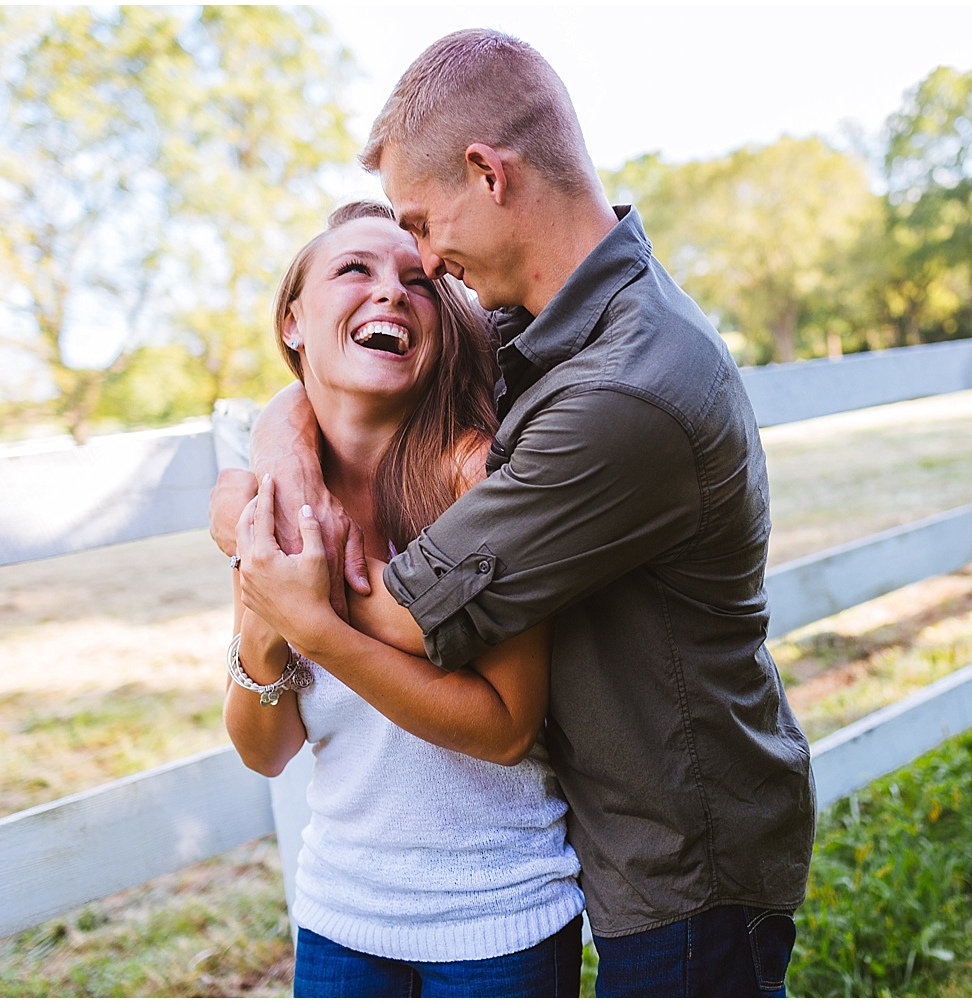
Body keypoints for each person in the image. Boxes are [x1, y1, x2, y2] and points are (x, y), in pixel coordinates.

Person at [223, 28, 817, 997]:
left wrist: (292, 598)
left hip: (680, 842)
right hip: (567, 845)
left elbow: (415, 620)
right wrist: (279, 469)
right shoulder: (535, 326)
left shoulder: (625, 386)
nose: (421, 259)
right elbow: (331, 384)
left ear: (487, 174)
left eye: (420, 225)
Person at [224, 199, 584, 998]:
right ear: (293, 320)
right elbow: (266, 748)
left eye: (419, 281)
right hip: (339, 920)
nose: (391, 291)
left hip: (499, 920)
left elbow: (506, 726)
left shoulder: (477, 477)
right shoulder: (276, 499)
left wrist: (316, 620)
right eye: (355, 268)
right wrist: (264, 628)